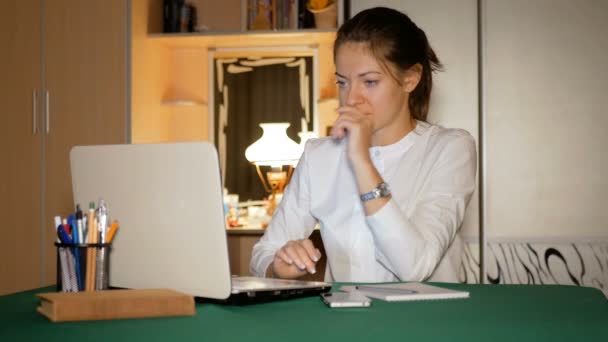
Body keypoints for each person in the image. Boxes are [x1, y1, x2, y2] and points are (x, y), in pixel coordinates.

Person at [250, 7, 477, 283]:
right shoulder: (318, 155)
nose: (352, 98)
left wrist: (361, 161)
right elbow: (264, 252)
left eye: (369, 81)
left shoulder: (450, 148)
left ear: (410, 79)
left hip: (427, 322)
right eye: (342, 82)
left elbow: (415, 267)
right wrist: (279, 266)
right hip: (345, 321)